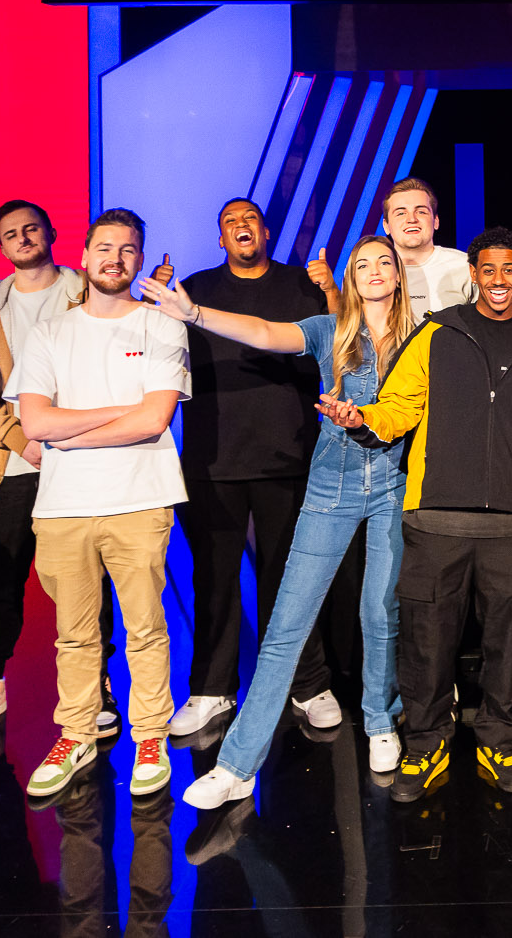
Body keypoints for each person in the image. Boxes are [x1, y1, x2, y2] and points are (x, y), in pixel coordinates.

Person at [147, 234, 417, 810]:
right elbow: (265, 333)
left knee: (379, 613)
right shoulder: (329, 330)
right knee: (286, 626)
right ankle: (237, 766)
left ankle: (379, 719)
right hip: (330, 487)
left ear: (399, 275)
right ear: (350, 278)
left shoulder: (425, 339)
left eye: (383, 262)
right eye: (362, 264)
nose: (373, 271)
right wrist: (193, 313)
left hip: (396, 487)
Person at [316, 228, 512, 802]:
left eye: (509, 270)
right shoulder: (438, 332)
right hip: (435, 518)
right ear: (474, 275)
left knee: (510, 643)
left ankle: (497, 739)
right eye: (489, 270)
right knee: (427, 643)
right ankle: (427, 743)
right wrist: (363, 419)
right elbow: (399, 406)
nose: (499, 280)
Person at [7, 207, 190, 798]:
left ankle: (151, 734)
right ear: (83, 258)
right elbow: (35, 422)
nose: (116, 258)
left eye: (128, 249)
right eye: (105, 248)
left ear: (140, 260)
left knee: (145, 628)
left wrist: (70, 433)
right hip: (63, 506)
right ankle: (77, 733)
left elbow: (155, 419)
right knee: (74, 634)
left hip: (141, 499)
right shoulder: (48, 333)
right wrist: (122, 410)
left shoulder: (162, 326)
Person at [163, 198, 337, 739]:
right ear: (221, 239)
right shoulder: (194, 289)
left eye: (250, 219)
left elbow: (336, 345)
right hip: (213, 458)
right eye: (230, 222)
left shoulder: (302, 285)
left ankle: (306, 684)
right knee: (214, 580)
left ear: (265, 231)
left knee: (292, 578)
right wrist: (158, 301)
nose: (241, 226)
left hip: (289, 454)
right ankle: (211, 690)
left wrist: (331, 290)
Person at [0, 200, 93, 734]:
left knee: (86, 583)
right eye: (10, 233)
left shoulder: (86, 290)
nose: (22, 237)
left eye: (31, 228)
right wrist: (23, 442)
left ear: (52, 232)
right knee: (3, 586)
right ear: (0, 246)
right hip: (10, 467)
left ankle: (96, 688)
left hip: (80, 461)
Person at [383, 177, 473, 317]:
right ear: (386, 226)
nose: (411, 219)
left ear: (435, 221)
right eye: (401, 213)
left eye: (421, 212)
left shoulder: (465, 267)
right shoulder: (367, 272)